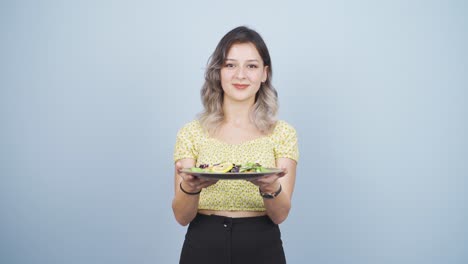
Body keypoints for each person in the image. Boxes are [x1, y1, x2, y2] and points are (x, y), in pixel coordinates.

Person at [172, 26, 299, 264]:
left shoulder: (283, 133)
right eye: (230, 65)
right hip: (202, 245)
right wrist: (190, 187)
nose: (241, 75)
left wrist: (270, 187)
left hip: (262, 245)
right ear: (218, 72)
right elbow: (181, 216)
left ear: (264, 73)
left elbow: (280, 214)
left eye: (251, 66)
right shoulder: (191, 132)